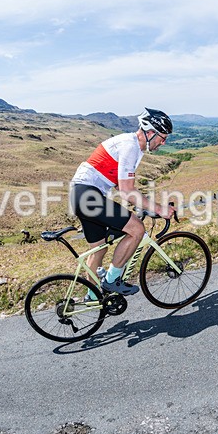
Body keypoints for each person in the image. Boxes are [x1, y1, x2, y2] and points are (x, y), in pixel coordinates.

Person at [69, 108, 175, 296]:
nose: (163, 142)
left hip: (80, 195)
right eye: (162, 137)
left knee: (98, 250)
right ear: (150, 133)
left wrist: (144, 206)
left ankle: (93, 298)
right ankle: (112, 281)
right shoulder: (130, 146)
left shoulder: (131, 145)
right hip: (88, 195)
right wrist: (159, 208)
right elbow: (127, 191)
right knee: (136, 229)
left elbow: (121, 185)